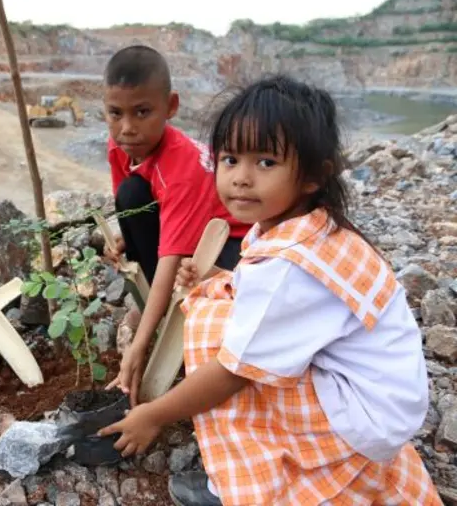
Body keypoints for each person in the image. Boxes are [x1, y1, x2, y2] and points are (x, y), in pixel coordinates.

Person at [98, 75, 442, 505]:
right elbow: (268, 297)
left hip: (366, 420)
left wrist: (155, 415)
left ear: (314, 177)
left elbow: (232, 372)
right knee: (215, 306)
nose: (241, 178)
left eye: (265, 163)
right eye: (229, 159)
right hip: (382, 400)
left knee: (212, 341)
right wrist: (211, 282)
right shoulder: (310, 228)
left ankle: (258, 484)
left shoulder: (288, 266)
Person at [101, 45, 251, 406]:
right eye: (115, 113)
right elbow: (131, 199)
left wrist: (139, 349)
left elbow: (172, 258)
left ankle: (173, 313)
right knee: (133, 194)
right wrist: (125, 238)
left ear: (171, 107)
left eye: (142, 112)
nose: (127, 128)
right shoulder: (120, 145)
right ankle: (160, 299)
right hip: (184, 225)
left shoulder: (180, 170)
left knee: (213, 289)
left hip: (231, 239)